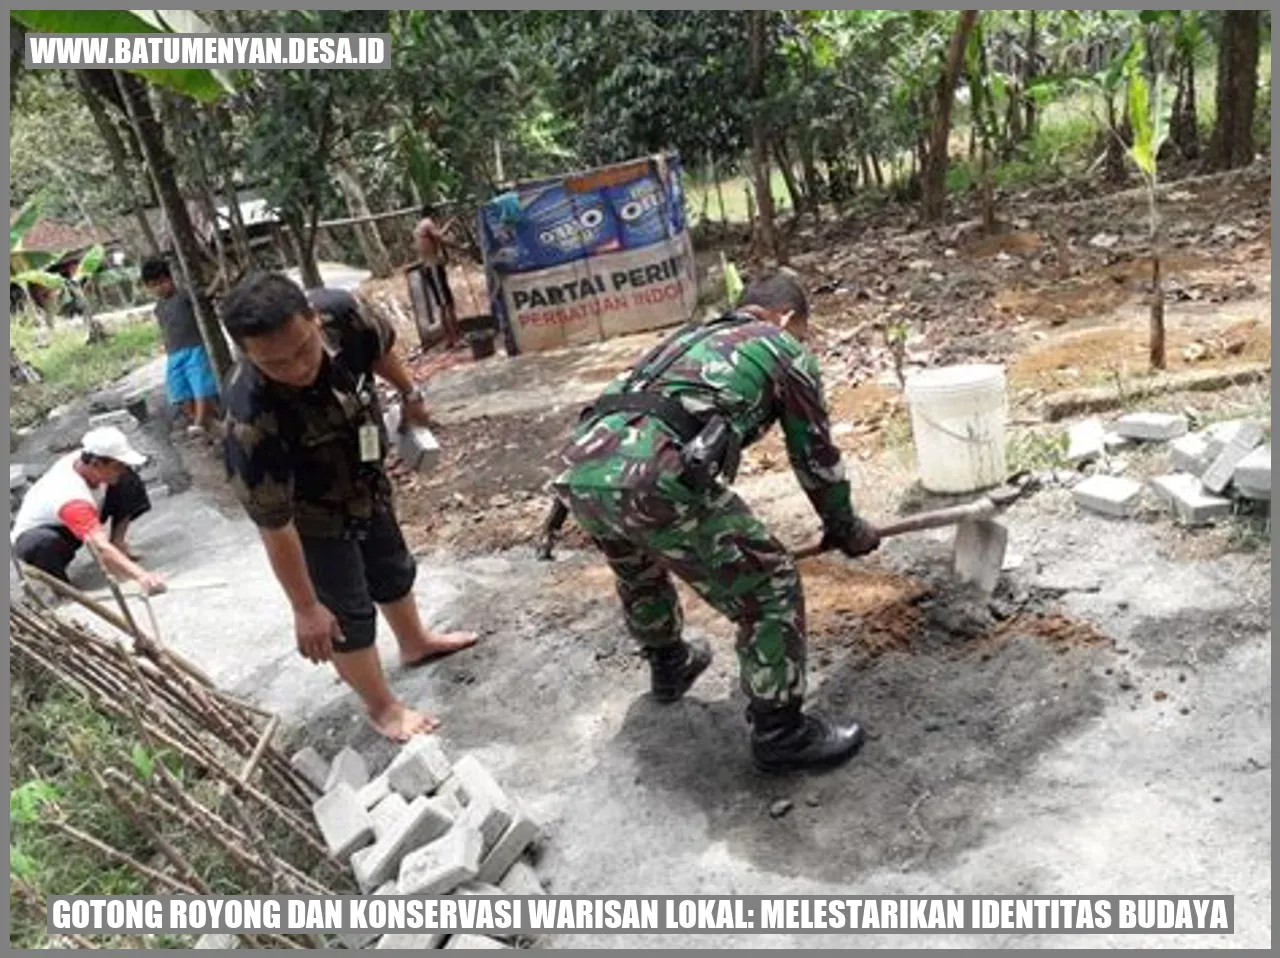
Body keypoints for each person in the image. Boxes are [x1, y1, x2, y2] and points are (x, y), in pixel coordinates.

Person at [552, 272, 882, 774]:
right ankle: (781, 731)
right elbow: (814, 457)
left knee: (638, 563)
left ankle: (669, 665)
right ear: (787, 318)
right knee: (770, 585)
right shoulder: (782, 348)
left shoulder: (689, 336)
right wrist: (845, 526)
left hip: (583, 472)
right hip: (652, 475)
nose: (802, 344)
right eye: (803, 333)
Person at [219, 273, 477, 742]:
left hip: (363, 472)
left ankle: (414, 642)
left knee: (391, 566)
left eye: (302, 348)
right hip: (311, 512)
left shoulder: (345, 312)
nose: (297, 368)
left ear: (314, 320)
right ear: (247, 353)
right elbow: (275, 528)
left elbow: (378, 349)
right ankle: (383, 707)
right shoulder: (248, 419)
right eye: (275, 363)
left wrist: (409, 393)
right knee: (345, 613)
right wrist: (304, 606)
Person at [11, 426, 165, 594]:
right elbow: (99, 546)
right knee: (41, 543)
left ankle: (118, 544)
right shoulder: (70, 494)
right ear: (95, 464)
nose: (120, 469)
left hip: (83, 512)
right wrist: (142, 576)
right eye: (116, 466)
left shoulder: (87, 457)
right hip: (47, 534)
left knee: (128, 480)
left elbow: (116, 469)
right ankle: (62, 589)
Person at [140, 256, 220, 437]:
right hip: (174, 354)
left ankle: (199, 422)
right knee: (179, 391)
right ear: (148, 288)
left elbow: (207, 294)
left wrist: (220, 275)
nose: (159, 287)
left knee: (200, 386)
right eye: (153, 285)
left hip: (195, 348)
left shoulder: (184, 295)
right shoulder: (158, 308)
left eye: (162, 282)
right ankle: (199, 422)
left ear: (170, 278)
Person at [412, 205, 461, 348]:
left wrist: (449, 224)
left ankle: (451, 338)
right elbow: (441, 239)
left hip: (431, 267)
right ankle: (454, 338)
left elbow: (438, 235)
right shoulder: (427, 223)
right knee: (446, 304)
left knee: (444, 303)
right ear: (433, 214)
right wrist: (460, 246)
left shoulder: (422, 226)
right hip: (433, 267)